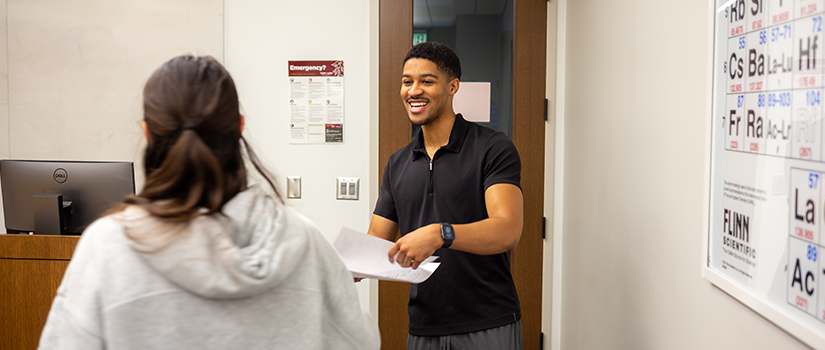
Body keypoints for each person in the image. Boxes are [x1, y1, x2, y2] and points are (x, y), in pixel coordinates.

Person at [38, 55, 380, 350]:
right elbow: (360, 342)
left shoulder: (110, 245)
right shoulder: (302, 239)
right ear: (239, 127)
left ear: (147, 133)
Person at [367, 42, 524, 349]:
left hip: (488, 321)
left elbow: (507, 230)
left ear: (453, 87)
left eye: (426, 81)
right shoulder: (397, 163)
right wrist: (343, 263)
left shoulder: (492, 147)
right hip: (424, 326)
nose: (414, 91)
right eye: (406, 81)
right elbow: (377, 239)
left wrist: (442, 234)